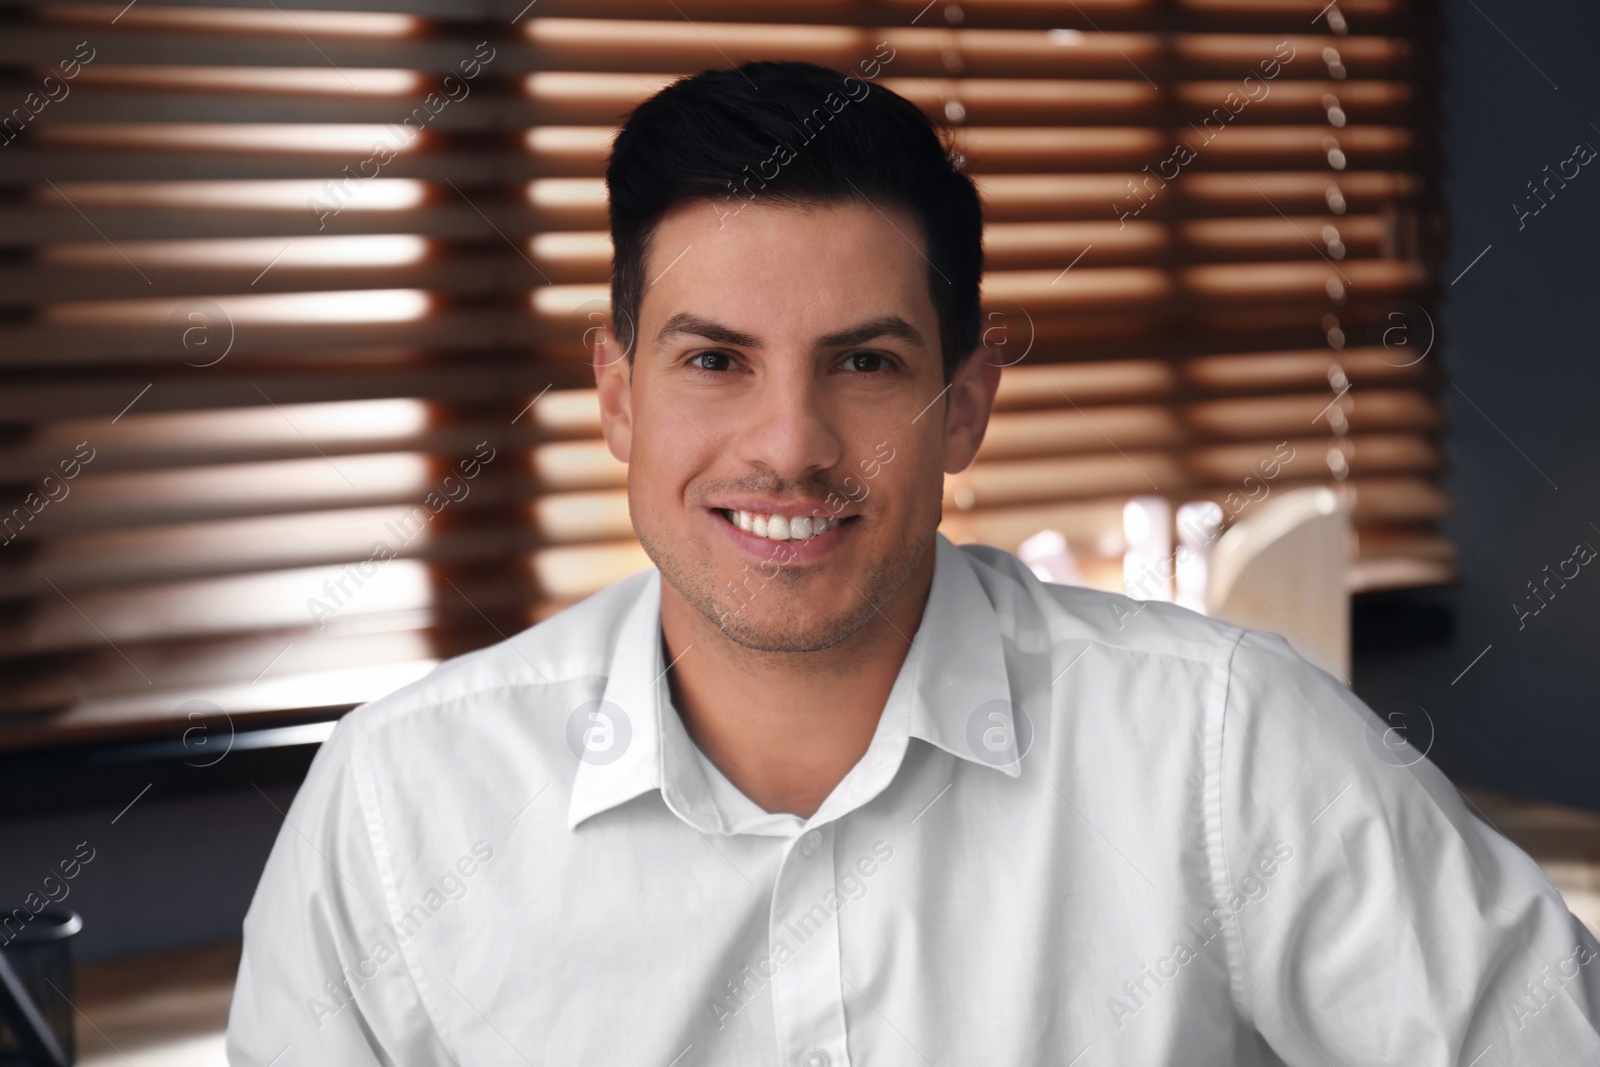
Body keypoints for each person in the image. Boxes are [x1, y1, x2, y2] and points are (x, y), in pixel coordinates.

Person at [227, 61, 1600, 1065]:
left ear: (965, 407)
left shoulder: (1224, 746)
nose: (790, 446)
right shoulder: (396, 811)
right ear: (619, 395)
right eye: (714, 360)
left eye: (865, 364)